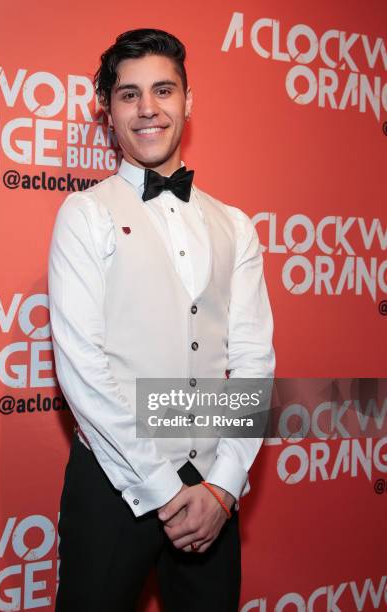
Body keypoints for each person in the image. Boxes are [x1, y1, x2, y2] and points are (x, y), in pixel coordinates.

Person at [48, 27, 275, 612]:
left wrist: (223, 486)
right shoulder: (85, 214)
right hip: (114, 487)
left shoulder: (236, 225)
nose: (148, 109)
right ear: (109, 111)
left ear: (188, 101)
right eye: (128, 94)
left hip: (212, 497)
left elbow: (253, 361)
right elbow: (82, 368)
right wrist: (164, 488)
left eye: (163, 90)